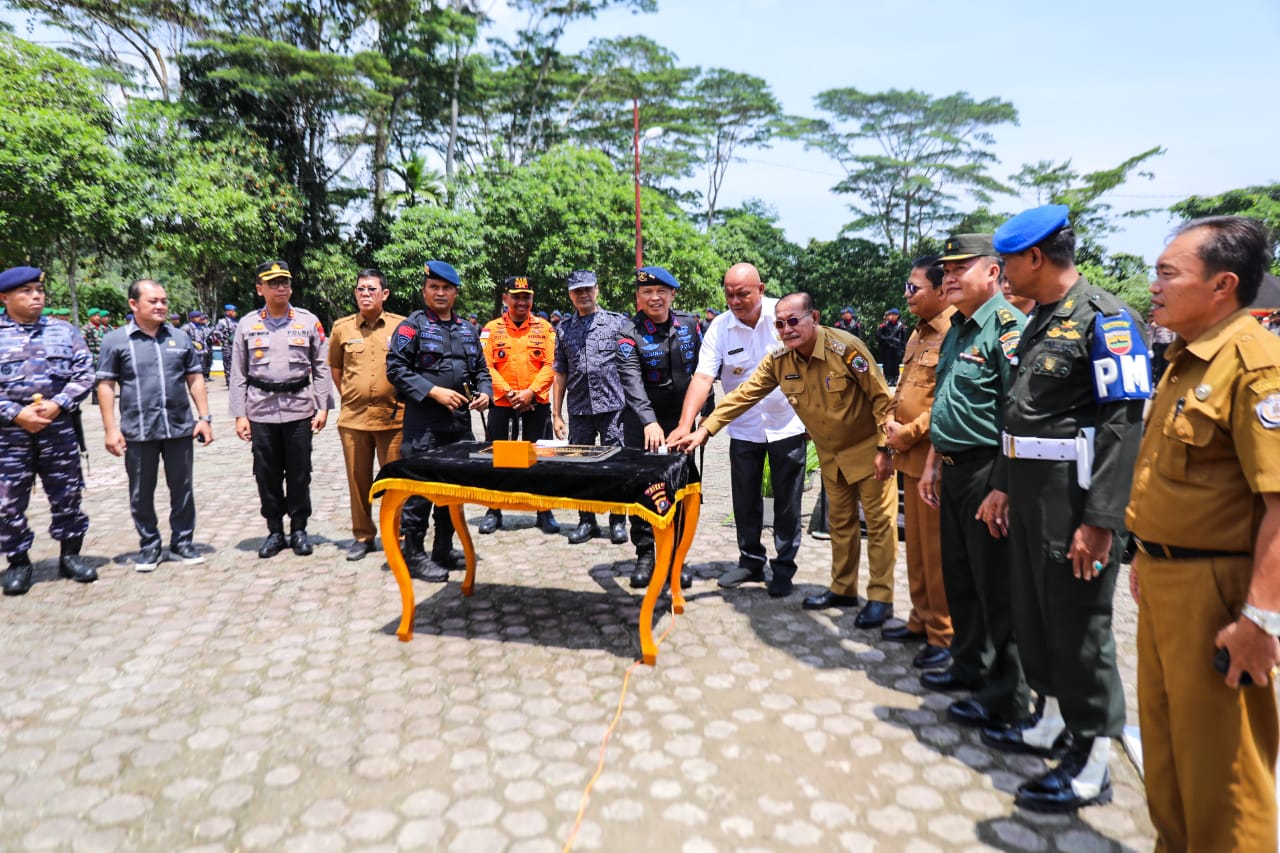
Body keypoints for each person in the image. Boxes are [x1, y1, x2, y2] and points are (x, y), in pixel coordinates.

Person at [983, 205, 1146, 812]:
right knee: (1035, 610)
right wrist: (1001, 483)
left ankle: (1092, 761)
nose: (1002, 274)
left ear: (1034, 258)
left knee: (1079, 623)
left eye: (1006, 263)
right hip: (1028, 489)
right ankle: (1049, 720)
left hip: (1072, 497)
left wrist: (1102, 522)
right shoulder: (1042, 319)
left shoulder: (1107, 319)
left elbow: (1123, 425)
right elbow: (1022, 415)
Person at [1125, 216, 1280, 849]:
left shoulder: (1254, 364)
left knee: (1224, 774)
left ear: (1223, 284)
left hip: (1217, 594)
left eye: (1168, 273)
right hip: (1165, 580)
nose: (1153, 286)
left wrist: (1261, 620)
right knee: (1167, 755)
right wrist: (1145, 552)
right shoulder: (1184, 361)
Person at [673, 291, 897, 623]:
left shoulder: (845, 348)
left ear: (814, 319)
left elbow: (883, 400)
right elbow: (744, 395)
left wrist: (885, 450)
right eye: (780, 323)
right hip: (831, 455)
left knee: (879, 526)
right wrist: (704, 430)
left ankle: (881, 598)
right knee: (841, 525)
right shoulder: (781, 359)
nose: (787, 328)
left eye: (794, 321)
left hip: (868, 451)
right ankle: (843, 589)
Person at [917, 233, 1032, 732]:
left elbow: (1019, 414)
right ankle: (969, 668)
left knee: (997, 588)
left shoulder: (1008, 329)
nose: (949, 277)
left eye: (961, 267)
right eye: (946, 269)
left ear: (993, 273)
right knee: (960, 579)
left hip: (991, 470)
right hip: (955, 468)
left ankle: (1007, 696)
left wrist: (1003, 485)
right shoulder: (961, 328)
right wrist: (935, 461)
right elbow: (950, 401)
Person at [666, 263, 807, 598]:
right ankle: (751, 560)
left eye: (743, 293)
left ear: (760, 289)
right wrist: (686, 425)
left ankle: (784, 567)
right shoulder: (720, 327)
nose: (735, 300)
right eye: (728, 294)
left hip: (787, 422)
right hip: (743, 426)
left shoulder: (784, 316)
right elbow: (703, 377)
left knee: (787, 502)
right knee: (745, 499)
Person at [96, 280, 213, 572]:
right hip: (138, 431)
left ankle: (182, 543)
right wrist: (111, 429)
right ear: (133, 304)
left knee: (182, 487)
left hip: (178, 427)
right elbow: (106, 385)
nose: (161, 306)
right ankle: (149, 546)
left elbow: (195, 379)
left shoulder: (180, 338)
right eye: (153, 301)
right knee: (141, 491)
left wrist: (204, 418)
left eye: (164, 300)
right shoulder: (116, 341)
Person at [386, 261, 491, 581]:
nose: (441, 293)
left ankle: (443, 547)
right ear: (425, 291)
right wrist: (433, 392)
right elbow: (396, 369)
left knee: (452, 487)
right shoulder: (411, 327)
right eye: (435, 287)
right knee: (420, 489)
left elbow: (482, 371)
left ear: (456, 292)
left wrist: (485, 393)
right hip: (424, 424)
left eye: (446, 288)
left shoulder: (468, 329)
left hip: (459, 424)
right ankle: (414, 553)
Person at [0, 267, 97, 595]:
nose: (36, 296)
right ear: (5, 297)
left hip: (58, 431)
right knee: (7, 502)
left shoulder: (64, 331)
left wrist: (58, 404)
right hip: (8, 437)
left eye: (38, 290)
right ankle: (18, 562)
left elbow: (84, 374)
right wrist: (15, 413)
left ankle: (70, 556)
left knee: (68, 494)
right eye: (25, 291)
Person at [228, 261, 333, 558]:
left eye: (285, 281)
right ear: (260, 288)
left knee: (300, 473)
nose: (281, 287)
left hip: (299, 408)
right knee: (267, 474)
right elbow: (237, 372)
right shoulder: (247, 324)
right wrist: (240, 415)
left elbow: (321, 367)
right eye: (273, 283)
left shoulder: (308, 321)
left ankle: (299, 529)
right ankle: (275, 531)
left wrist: (323, 406)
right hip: (260, 410)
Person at [881, 256, 955, 668]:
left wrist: (907, 433)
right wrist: (891, 422)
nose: (907, 295)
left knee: (936, 553)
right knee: (917, 551)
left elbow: (946, 400)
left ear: (942, 290)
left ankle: (943, 634)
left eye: (914, 288)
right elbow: (904, 388)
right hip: (910, 458)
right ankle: (919, 619)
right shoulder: (916, 334)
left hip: (934, 458)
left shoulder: (952, 333)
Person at [616, 265, 705, 589]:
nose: (655, 297)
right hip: (642, 423)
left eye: (661, 292)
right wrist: (648, 422)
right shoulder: (628, 333)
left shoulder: (691, 325)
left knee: (680, 488)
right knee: (643, 488)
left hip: (682, 422)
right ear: (639, 297)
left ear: (672, 295)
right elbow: (631, 381)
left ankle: (676, 555)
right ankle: (645, 553)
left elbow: (702, 371)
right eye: (647, 293)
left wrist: (705, 413)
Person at [328, 268, 405, 561]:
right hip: (354, 420)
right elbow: (337, 370)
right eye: (361, 289)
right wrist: (354, 394)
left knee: (395, 483)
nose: (365, 294)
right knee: (358, 480)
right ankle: (363, 535)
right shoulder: (342, 328)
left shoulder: (401, 326)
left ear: (384, 294)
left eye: (372, 289)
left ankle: (396, 535)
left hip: (393, 419)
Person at [551, 270, 629, 545]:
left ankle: (618, 520)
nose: (583, 295)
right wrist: (557, 414)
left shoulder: (618, 323)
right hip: (580, 410)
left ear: (597, 289)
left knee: (615, 465)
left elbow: (631, 367)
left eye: (587, 289)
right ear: (570, 295)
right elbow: (560, 372)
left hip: (613, 408)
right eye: (576, 291)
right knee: (581, 467)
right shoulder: (563, 329)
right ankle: (587, 520)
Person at [476, 276, 559, 536]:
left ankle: (543, 509)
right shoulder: (491, 329)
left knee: (539, 457)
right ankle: (494, 509)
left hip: (536, 403)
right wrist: (512, 393)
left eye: (526, 297)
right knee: (500, 458)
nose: (521, 301)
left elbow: (551, 364)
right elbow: (486, 366)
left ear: (532, 299)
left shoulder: (545, 328)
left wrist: (531, 392)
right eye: (516, 296)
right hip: (503, 402)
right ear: (505, 298)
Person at [876, 307, 907, 385]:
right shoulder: (884, 325)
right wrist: (888, 338)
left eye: (894, 315)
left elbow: (903, 339)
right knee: (887, 364)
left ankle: (895, 379)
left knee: (896, 364)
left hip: (897, 348)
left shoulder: (901, 326)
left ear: (897, 316)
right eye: (890, 315)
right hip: (887, 347)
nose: (892, 316)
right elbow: (879, 336)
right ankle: (888, 378)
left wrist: (903, 348)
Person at [181, 310, 213, 381]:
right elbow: (181, 339)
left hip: (202, 354)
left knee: (201, 371)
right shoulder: (186, 327)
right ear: (192, 318)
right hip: (192, 354)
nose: (199, 318)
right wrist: (192, 343)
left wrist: (205, 350)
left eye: (200, 316)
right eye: (197, 317)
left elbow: (203, 340)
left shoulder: (201, 328)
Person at [213, 304, 238, 387]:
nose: (235, 313)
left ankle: (235, 381)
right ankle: (229, 381)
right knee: (228, 364)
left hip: (236, 346)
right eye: (233, 311)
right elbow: (216, 332)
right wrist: (225, 338)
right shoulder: (222, 322)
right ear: (228, 312)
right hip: (227, 346)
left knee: (236, 364)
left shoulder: (236, 322)